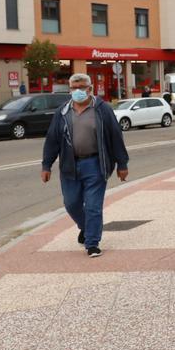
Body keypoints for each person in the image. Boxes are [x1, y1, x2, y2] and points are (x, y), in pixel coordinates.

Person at [41, 73, 130, 258]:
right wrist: (46, 165)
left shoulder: (102, 109)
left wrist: (122, 163)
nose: (78, 91)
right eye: (74, 88)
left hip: (95, 164)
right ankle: (85, 227)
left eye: (82, 87)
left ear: (90, 89)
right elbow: (52, 140)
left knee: (92, 206)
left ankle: (92, 243)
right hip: (69, 165)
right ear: (70, 90)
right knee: (71, 203)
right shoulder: (63, 112)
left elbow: (115, 136)